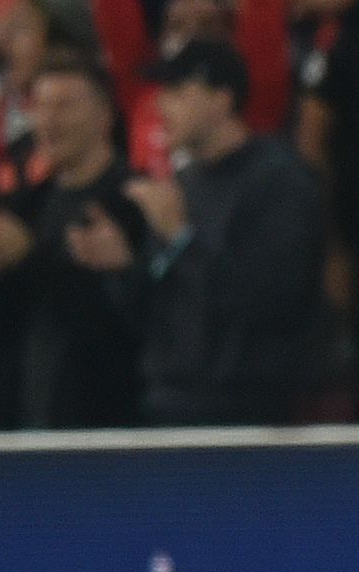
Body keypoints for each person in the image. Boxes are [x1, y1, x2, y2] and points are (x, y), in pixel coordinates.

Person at [79, 37, 326, 425]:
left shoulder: (278, 181)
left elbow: (272, 301)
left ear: (223, 98)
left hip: (248, 413)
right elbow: (161, 313)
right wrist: (122, 269)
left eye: (178, 91)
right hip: (170, 401)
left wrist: (180, 238)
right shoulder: (183, 184)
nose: (161, 106)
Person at [0, 52, 150, 427]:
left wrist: (29, 257)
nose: (48, 120)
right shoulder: (27, 205)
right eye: (40, 107)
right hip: (28, 418)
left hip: (107, 421)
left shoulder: (135, 201)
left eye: (64, 106)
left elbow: (128, 320)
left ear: (104, 117)